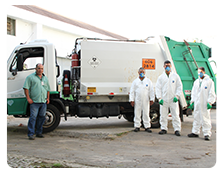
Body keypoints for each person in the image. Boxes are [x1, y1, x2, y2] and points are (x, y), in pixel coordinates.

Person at [187, 67, 216, 141]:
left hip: (204, 103)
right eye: (199, 72)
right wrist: (192, 102)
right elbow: (193, 92)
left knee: (205, 118)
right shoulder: (196, 82)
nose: (200, 73)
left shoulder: (209, 81)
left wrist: (210, 102)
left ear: (204, 72)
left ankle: (207, 133)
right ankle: (195, 132)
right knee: (196, 117)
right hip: (197, 103)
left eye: (201, 72)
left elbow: (211, 93)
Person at [23, 63, 50, 140]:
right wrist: (28, 98)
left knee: (42, 117)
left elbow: (47, 89)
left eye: (41, 68)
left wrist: (48, 98)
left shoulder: (45, 78)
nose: (40, 70)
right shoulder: (30, 77)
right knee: (33, 117)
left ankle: (39, 132)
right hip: (34, 102)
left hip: (43, 101)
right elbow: (26, 88)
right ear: (35, 69)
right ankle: (31, 134)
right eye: (38, 68)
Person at [155, 60, 182, 136]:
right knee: (163, 115)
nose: (167, 67)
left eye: (169, 66)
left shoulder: (175, 76)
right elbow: (158, 88)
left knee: (175, 115)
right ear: (164, 67)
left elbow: (179, 87)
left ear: (171, 66)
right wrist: (159, 98)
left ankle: (177, 129)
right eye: (166, 66)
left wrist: (177, 96)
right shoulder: (161, 77)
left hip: (173, 99)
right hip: (164, 100)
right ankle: (163, 128)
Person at [129, 67, 155, 132]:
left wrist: (152, 99)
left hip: (146, 100)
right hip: (138, 100)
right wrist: (131, 100)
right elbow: (132, 91)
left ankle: (147, 126)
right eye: (140, 72)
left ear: (145, 73)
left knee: (146, 113)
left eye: (143, 72)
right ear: (138, 73)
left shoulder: (148, 81)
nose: (142, 73)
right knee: (137, 113)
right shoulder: (135, 82)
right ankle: (137, 126)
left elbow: (151, 91)